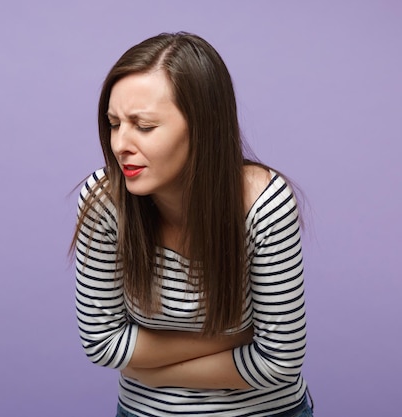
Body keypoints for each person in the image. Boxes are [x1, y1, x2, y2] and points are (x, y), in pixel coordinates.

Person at [72, 32, 313, 417]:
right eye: (114, 124)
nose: (120, 144)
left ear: (202, 128)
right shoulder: (104, 202)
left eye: (144, 126)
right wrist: (235, 337)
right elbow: (103, 344)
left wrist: (149, 370)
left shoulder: (264, 204)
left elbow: (280, 362)